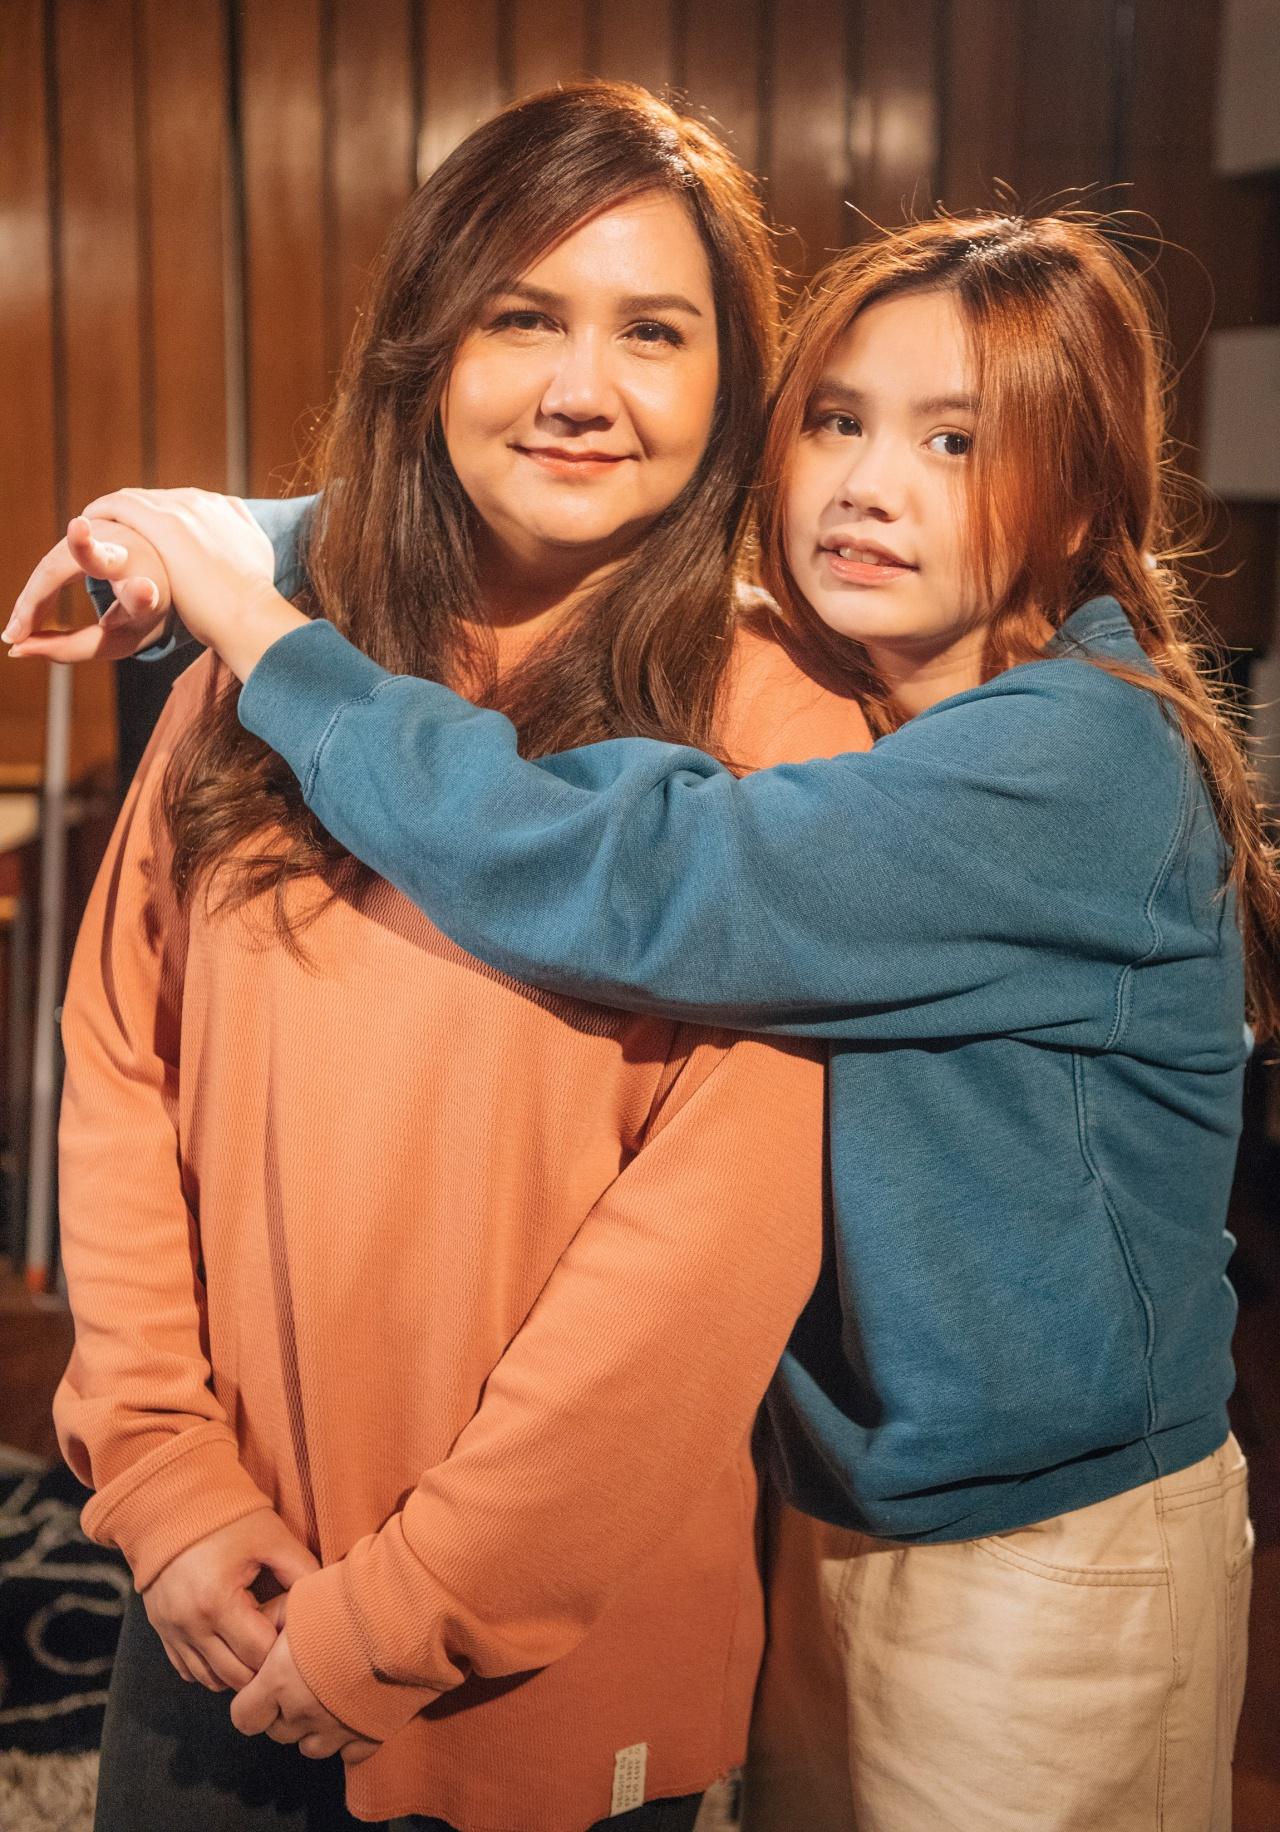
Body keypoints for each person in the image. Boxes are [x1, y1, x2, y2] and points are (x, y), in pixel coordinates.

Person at [24, 209, 1274, 1832]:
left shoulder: (1069, 763)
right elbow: (519, 482)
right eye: (838, 421)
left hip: (1036, 1547)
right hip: (834, 1502)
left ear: (1086, 496)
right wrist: (226, 533)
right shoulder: (875, 685)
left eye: (958, 442)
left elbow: (642, 877)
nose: (869, 484)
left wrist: (267, 624)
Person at [26, 82, 871, 1832]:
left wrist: (407, 1611)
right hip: (211, 1602)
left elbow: (699, 1278)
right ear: (429, 347)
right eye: (523, 318)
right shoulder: (263, 673)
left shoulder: (790, 733)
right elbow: (118, 1075)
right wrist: (168, 1483)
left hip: (538, 1661)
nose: (582, 387)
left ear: (732, 386)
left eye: (653, 331)